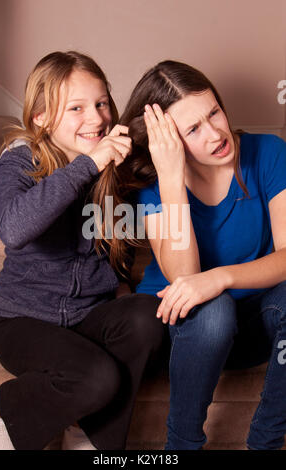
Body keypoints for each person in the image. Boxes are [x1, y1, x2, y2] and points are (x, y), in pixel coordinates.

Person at [0, 51, 166, 451]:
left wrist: (121, 295)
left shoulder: (113, 169)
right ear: (41, 117)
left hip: (89, 319)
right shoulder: (20, 163)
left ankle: (91, 439)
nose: (97, 118)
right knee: (97, 377)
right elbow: (14, 229)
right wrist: (87, 164)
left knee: (147, 316)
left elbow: (116, 247)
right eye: (77, 108)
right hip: (24, 322)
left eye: (101, 103)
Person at [116, 60, 286, 450]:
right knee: (214, 311)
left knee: (223, 299)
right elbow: (184, 276)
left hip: (253, 330)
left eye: (213, 113)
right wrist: (172, 177)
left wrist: (221, 276)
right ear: (168, 142)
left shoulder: (269, 153)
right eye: (193, 129)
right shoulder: (157, 186)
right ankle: (181, 445)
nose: (215, 134)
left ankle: (266, 441)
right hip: (190, 336)